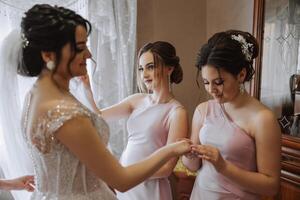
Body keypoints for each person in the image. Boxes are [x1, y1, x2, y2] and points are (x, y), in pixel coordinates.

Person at [13, 4, 191, 200]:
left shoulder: (35, 96)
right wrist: (170, 149)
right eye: (81, 48)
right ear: (48, 55)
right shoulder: (65, 112)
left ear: (169, 69)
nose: (89, 54)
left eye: (150, 67)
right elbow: (120, 180)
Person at [82, 41, 189, 200]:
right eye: (141, 68)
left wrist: (129, 174)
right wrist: (86, 88)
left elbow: (167, 168)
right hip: (127, 185)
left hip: (151, 190)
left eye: (150, 67)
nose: (144, 74)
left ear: (169, 68)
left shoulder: (176, 112)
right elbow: (98, 116)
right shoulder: (137, 100)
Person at [182, 30, 281, 199]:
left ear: (241, 75)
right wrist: (188, 155)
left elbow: (271, 186)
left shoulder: (263, 119)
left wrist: (224, 167)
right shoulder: (203, 110)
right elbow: (192, 166)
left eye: (219, 82)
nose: (211, 90)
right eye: (206, 82)